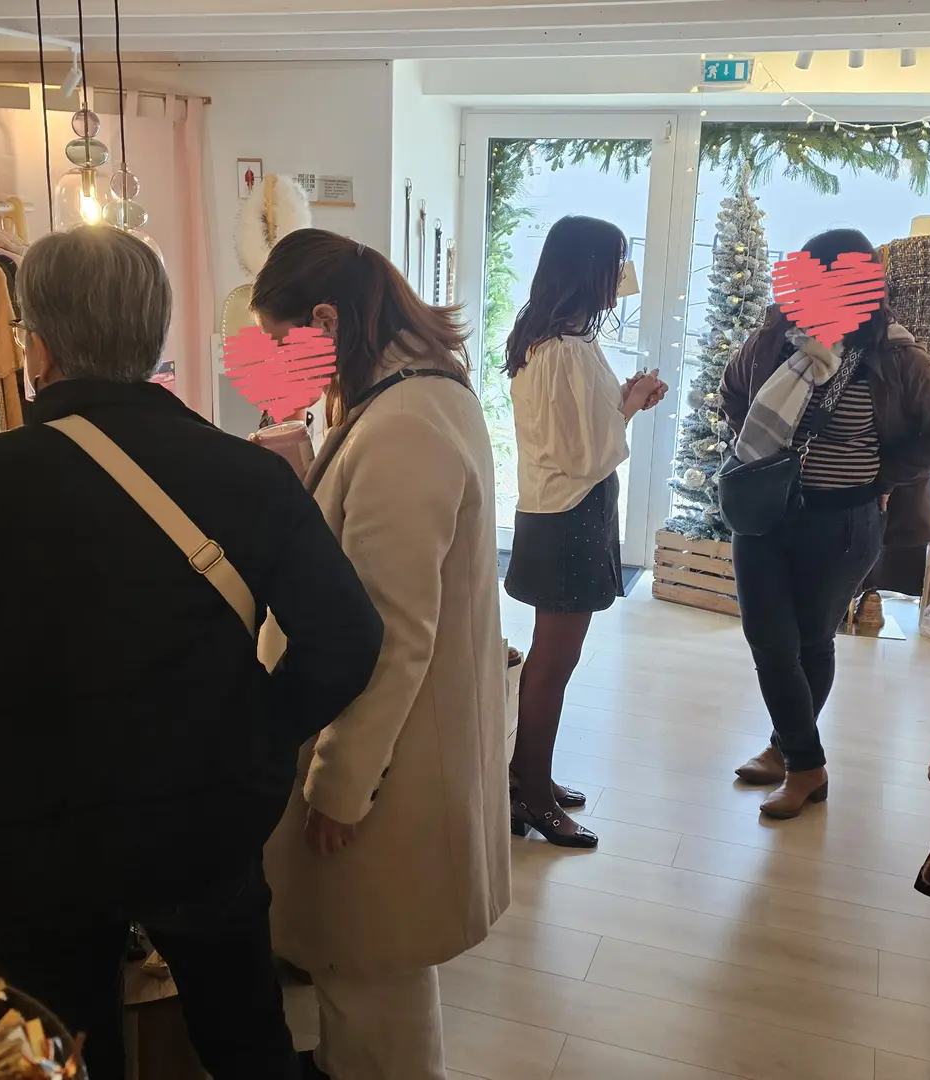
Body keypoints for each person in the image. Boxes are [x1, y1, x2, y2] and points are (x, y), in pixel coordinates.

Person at [0, 226, 385, 1079]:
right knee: (245, 1041)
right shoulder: (250, 478)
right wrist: (258, 737)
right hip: (200, 822)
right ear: (153, 340)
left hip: (13, 844)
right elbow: (349, 637)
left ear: (37, 347)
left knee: (55, 1056)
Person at [251, 228, 511, 1079]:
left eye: (284, 342)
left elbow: (391, 633)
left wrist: (340, 784)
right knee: (374, 978)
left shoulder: (404, 427)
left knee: (370, 990)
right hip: (407, 752)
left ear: (327, 319)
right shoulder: (415, 396)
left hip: (390, 767)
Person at [718, 228, 930, 818]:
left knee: (811, 641)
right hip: (762, 518)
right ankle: (805, 762)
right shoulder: (773, 340)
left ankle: (791, 756)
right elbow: (732, 392)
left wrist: (886, 476)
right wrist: (756, 451)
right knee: (768, 641)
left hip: (842, 523)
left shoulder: (895, 358)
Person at [500, 215, 665, 848]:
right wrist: (629, 405)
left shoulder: (550, 337)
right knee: (553, 662)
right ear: (588, 268)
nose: (621, 276)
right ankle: (531, 795)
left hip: (557, 508)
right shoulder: (567, 347)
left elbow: (574, 433)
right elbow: (584, 453)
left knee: (551, 659)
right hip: (569, 513)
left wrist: (621, 403)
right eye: (615, 262)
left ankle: (527, 776)